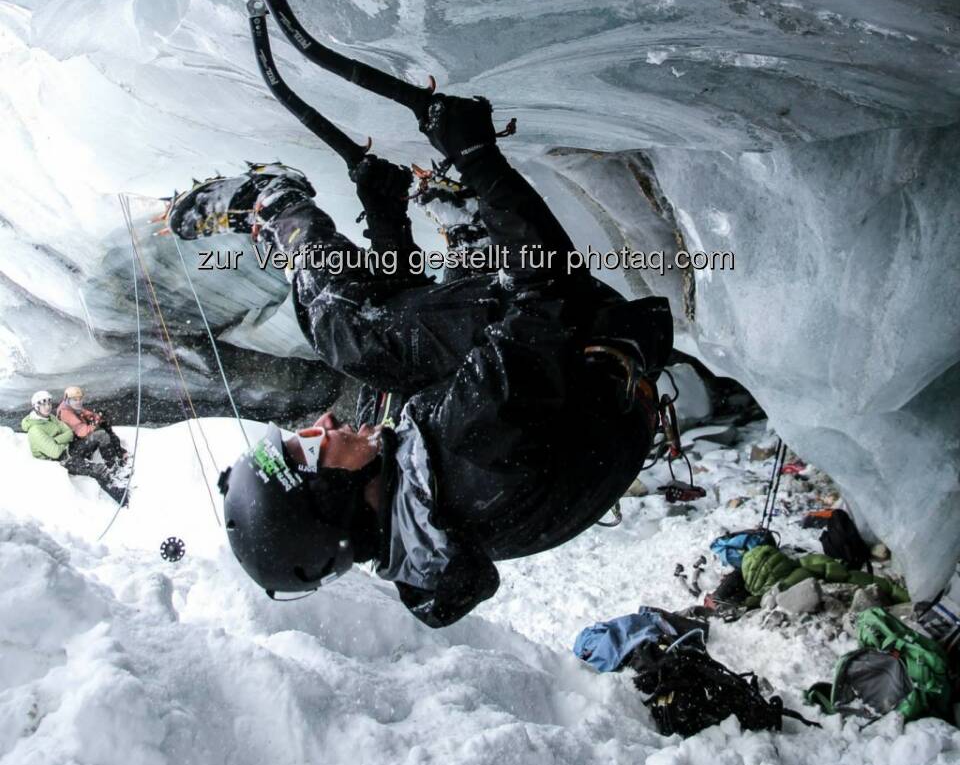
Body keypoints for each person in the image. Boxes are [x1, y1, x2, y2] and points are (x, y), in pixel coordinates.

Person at [167, 87, 673, 627]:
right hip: (582, 328)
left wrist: (386, 220)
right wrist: (476, 154)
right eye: (309, 447)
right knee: (343, 332)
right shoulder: (464, 449)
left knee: (381, 359)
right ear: (338, 499)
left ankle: (465, 237)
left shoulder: (421, 511)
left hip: (569, 377)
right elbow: (548, 286)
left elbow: (410, 340)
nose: (323, 423)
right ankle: (277, 207)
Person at [21, 389, 128, 504]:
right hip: (60, 460)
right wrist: (61, 439)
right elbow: (55, 452)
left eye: (49, 403)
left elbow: (69, 433)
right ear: (36, 407)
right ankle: (122, 498)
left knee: (100, 435)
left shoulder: (51, 418)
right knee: (98, 470)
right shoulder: (35, 430)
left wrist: (55, 440)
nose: (47, 407)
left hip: (69, 449)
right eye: (43, 405)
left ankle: (114, 467)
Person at [58, 385, 127, 472]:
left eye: (80, 399)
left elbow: (89, 414)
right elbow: (82, 432)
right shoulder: (66, 413)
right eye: (75, 399)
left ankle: (119, 453)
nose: (78, 402)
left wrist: (99, 419)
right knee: (101, 434)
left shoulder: (73, 408)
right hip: (74, 449)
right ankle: (112, 466)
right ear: (67, 400)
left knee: (104, 425)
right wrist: (95, 424)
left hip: (79, 442)